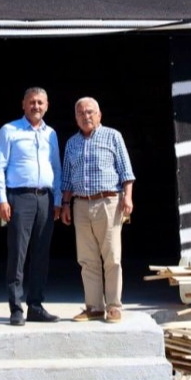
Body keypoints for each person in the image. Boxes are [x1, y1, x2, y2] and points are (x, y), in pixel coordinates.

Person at [59, 96, 135, 324]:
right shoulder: (71, 143)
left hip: (109, 202)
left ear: (99, 115)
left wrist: (128, 198)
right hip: (80, 204)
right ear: (76, 118)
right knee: (87, 259)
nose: (86, 116)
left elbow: (126, 173)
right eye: (81, 113)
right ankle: (93, 307)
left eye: (90, 112)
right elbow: (66, 180)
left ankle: (113, 306)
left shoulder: (113, 136)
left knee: (112, 257)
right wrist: (65, 205)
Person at [0, 87, 63, 326]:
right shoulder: (9, 131)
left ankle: (36, 305)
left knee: (41, 254)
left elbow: (57, 168)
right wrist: (1, 198)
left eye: (41, 103)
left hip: (45, 197)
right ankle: (16, 307)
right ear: (23, 104)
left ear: (47, 105)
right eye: (32, 102)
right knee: (18, 253)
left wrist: (58, 200)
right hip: (19, 198)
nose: (36, 107)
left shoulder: (51, 134)